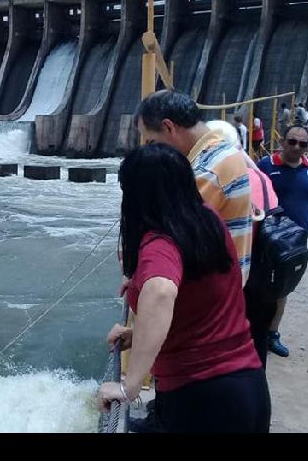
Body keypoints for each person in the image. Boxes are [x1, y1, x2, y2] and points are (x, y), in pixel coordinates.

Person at [96, 143, 271, 433]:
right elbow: (198, 297)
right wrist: (136, 334)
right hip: (247, 387)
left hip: (201, 401)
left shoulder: (160, 243)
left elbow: (162, 292)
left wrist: (129, 386)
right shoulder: (206, 219)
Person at [136, 90, 254, 284]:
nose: (152, 150)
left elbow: (169, 234)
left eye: (152, 142)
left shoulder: (206, 172)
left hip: (207, 296)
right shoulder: (223, 151)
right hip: (225, 290)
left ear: (168, 127)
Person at [207, 120, 280, 366]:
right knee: (257, 340)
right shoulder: (260, 176)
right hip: (267, 270)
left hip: (242, 274)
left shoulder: (225, 177)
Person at [256, 125, 308, 359]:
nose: (297, 147)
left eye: (303, 144)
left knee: (283, 288)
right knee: (258, 286)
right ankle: (251, 333)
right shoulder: (266, 166)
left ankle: (271, 334)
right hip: (268, 241)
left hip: (296, 243)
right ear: (283, 141)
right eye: (292, 141)